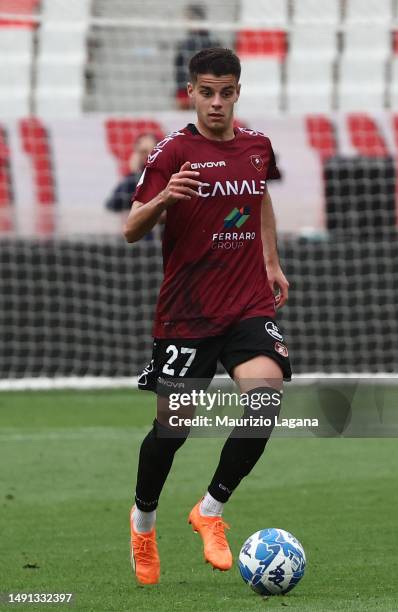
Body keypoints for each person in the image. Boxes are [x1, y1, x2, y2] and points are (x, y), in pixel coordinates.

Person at [124, 47, 291, 585]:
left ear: (237, 92)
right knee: (174, 429)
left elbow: (260, 195)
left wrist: (270, 259)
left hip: (247, 302)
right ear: (190, 92)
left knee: (265, 399)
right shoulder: (173, 152)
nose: (216, 103)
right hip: (188, 311)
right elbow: (130, 228)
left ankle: (211, 510)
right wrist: (164, 199)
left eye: (226, 92)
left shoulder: (258, 146)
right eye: (206, 92)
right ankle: (143, 520)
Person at [174, 4, 220, 109]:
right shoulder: (186, 43)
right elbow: (179, 68)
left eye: (188, 18)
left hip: (202, 88)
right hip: (188, 88)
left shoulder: (210, 42)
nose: (186, 22)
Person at [105, 133, 158, 212]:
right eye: (143, 152)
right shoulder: (132, 179)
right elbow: (111, 204)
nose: (148, 155)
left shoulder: (165, 176)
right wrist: (136, 174)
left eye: (152, 151)